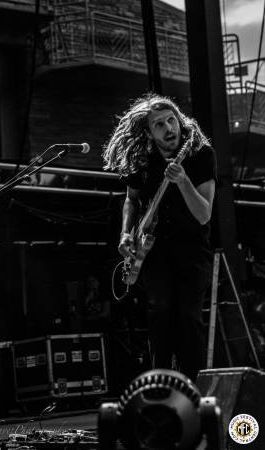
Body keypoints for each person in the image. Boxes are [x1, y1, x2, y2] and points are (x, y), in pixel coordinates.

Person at [103, 93, 217, 381]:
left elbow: (204, 214)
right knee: (160, 315)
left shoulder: (201, 154)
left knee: (189, 318)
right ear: (148, 132)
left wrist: (183, 181)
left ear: (180, 121)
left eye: (171, 120)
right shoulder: (142, 159)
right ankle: (161, 387)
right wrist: (125, 233)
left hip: (192, 250)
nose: (169, 129)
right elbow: (131, 199)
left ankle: (195, 387)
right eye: (159, 125)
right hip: (153, 251)